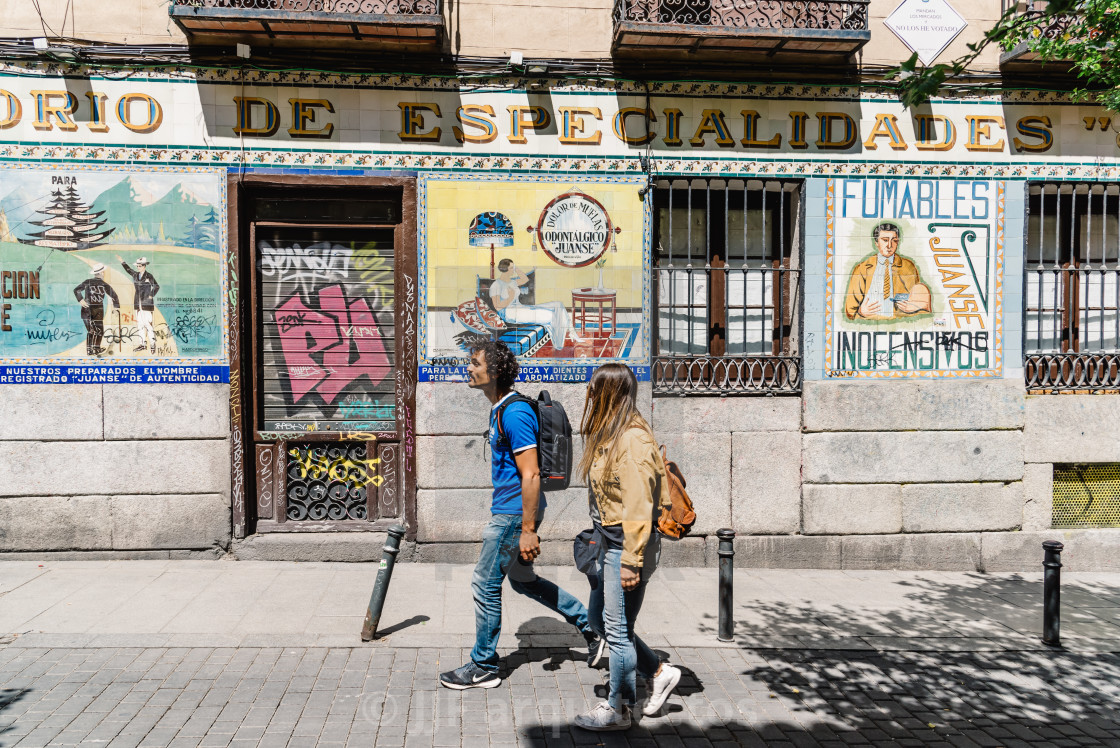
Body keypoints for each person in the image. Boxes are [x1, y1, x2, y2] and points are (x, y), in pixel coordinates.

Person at [439, 340, 605, 690]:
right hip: (516, 511)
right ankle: (590, 625)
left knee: (485, 585)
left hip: (513, 515)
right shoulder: (502, 408)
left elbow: (530, 474)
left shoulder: (513, 413)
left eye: (475, 363)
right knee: (522, 580)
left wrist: (528, 530)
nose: (468, 368)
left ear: (495, 371)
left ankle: (483, 665)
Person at [574, 363, 681, 731]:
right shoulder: (612, 433)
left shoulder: (631, 439)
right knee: (599, 619)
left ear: (608, 394)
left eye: (593, 389)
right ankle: (659, 672)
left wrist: (632, 562)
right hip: (610, 542)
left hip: (627, 546)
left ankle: (619, 709)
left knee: (617, 631)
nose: (588, 395)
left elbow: (638, 505)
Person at [843, 222, 932, 320]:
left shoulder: (908, 267)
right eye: (885, 240)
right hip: (870, 322)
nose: (889, 245)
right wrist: (861, 312)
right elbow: (850, 310)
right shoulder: (862, 269)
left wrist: (914, 306)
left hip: (899, 323)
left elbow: (918, 301)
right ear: (876, 242)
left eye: (894, 240)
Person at [489, 258, 572, 349]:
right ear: (505, 269)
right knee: (550, 315)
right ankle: (558, 345)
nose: (514, 269)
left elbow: (525, 279)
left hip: (520, 308)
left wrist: (516, 269)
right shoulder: (496, 285)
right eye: (512, 267)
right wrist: (510, 297)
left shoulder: (512, 282)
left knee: (558, 304)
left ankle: (571, 332)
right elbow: (497, 307)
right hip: (509, 313)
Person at [73, 264, 119, 356]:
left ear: (95, 273)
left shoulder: (88, 281)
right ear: (102, 273)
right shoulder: (104, 284)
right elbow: (114, 296)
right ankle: (96, 348)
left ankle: (90, 350)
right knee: (99, 330)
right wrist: (116, 308)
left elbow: (76, 290)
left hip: (86, 309)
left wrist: (81, 300)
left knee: (91, 330)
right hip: (97, 309)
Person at [117, 255, 160, 353]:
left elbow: (156, 286)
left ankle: (152, 345)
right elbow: (128, 270)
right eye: (137, 266)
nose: (138, 267)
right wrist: (122, 261)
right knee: (140, 325)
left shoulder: (149, 276)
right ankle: (142, 344)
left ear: (144, 266)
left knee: (148, 325)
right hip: (137, 303)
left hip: (147, 304)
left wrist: (151, 295)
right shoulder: (135, 275)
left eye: (140, 266)